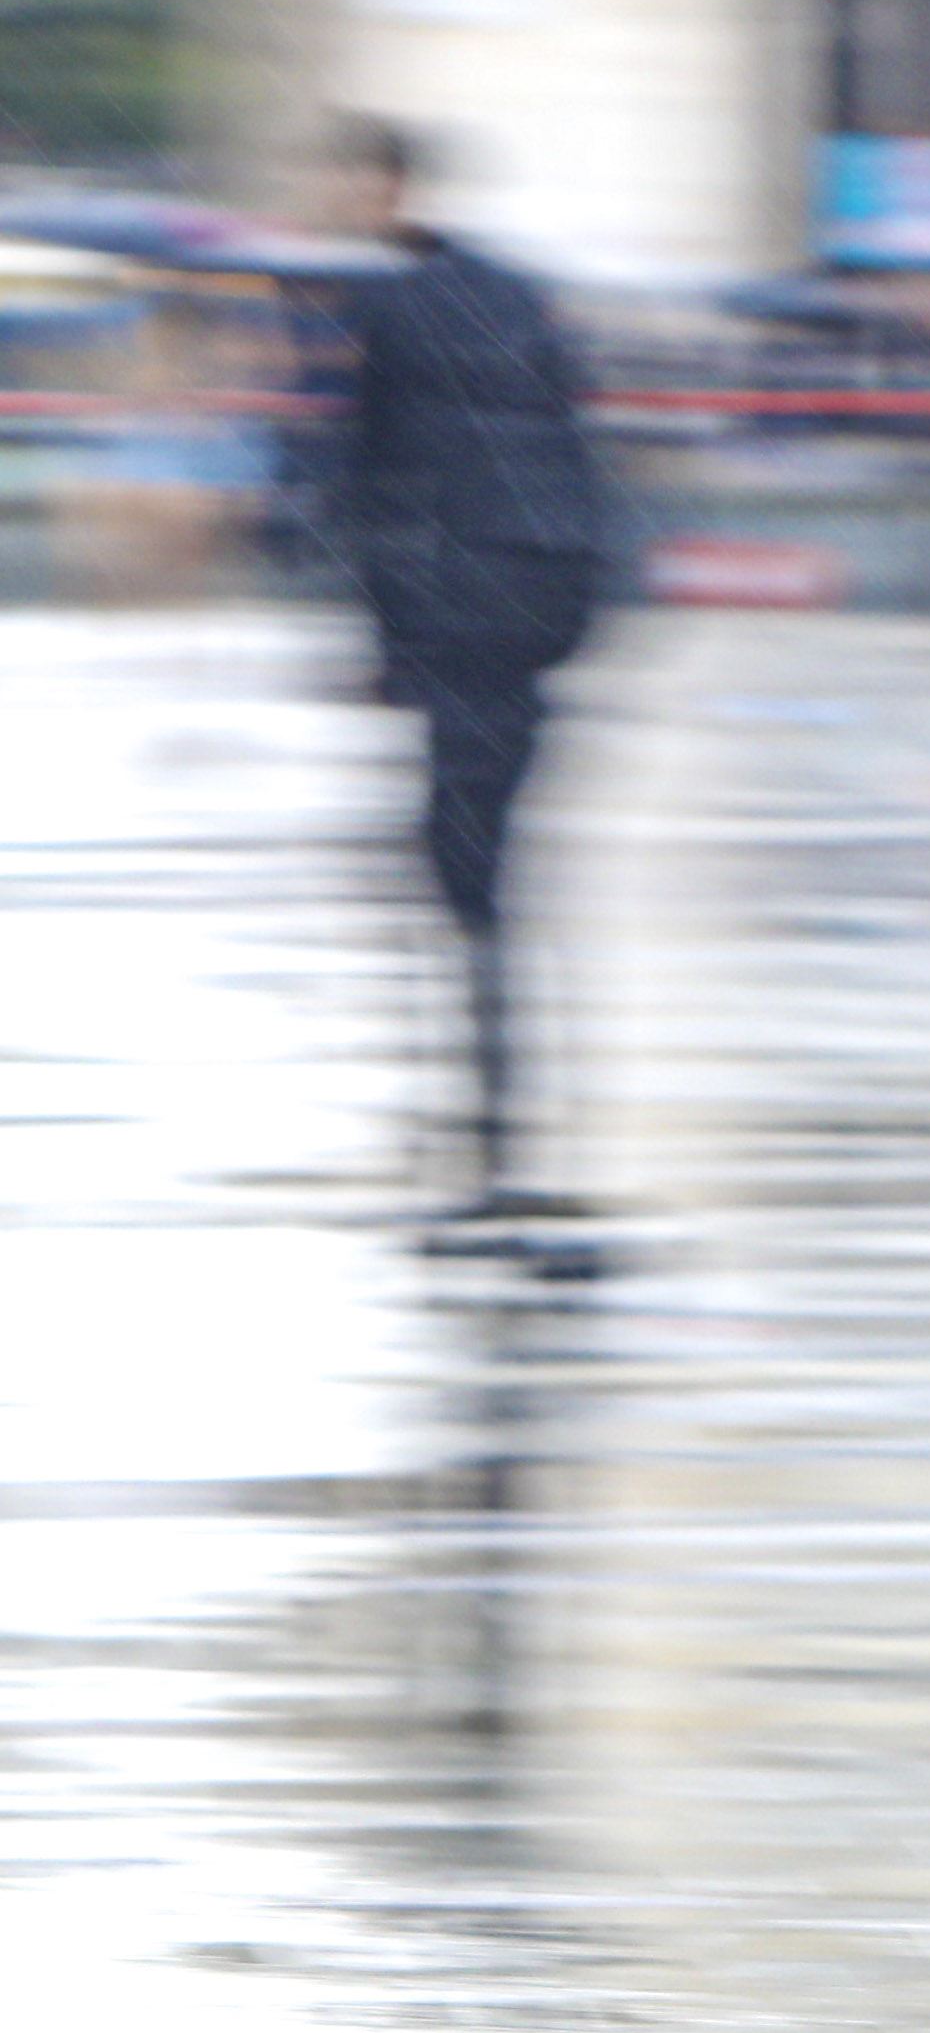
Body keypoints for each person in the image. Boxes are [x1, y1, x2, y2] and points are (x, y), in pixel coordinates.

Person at [295, 115, 616, 1231]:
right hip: (547, 602)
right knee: (484, 862)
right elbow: (580, 446)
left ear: (384, 186)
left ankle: (492, 1145)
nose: (333, 199)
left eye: (341, 179)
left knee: (461, 873)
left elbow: (366, 485)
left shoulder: (383, 309)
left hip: (464, 604)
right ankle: (494, 1127)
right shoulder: (523, 292)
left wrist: (381, 647)